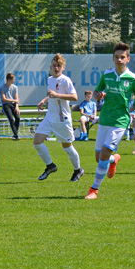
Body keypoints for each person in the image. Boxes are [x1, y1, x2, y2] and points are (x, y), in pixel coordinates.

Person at [85, 41, 135, 200]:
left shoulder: (134, 79)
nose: (119, 60)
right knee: (99, 159)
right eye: (116, 57)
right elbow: (97, 90)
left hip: (120, 121)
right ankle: (114, 160)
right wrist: (98, 95)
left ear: (128, 59)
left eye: (122, 57)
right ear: (113, 58)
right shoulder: (107, 75)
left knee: (104, 154)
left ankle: (94, 190)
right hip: (105, 119)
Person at [34, 54, 83, 182]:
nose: (56, 68)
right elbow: (52, 94)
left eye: (59, 66)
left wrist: (57, 95)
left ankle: (78, 169)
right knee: (37, 141)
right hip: (50, 117)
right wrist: (44, 100)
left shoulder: (65, 80)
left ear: (63, 67)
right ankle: (50, 166)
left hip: (62, 119)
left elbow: (74, 97)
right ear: (51, 67)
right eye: (54, 66)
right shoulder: (50, 79)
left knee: (67, 146)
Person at [0, 73, 20, 140]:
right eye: (13, 79)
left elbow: (16, 99)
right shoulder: (3, 87)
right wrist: (14, 100)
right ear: (8, 80)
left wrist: (17, 107)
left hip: (13, 104)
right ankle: (16, 135)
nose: (14, 80)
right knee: (11, 119)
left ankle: (15, 134)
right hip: (6, 105)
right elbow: (4, 99)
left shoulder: (15, 87)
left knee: (17, 118)